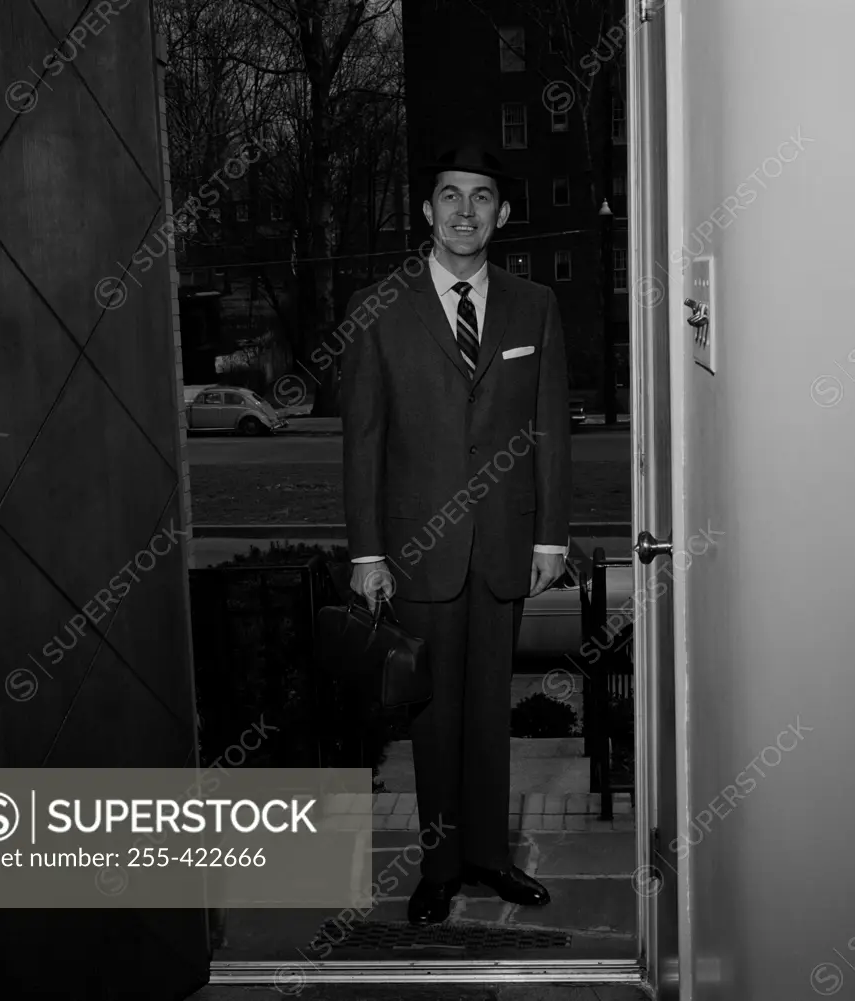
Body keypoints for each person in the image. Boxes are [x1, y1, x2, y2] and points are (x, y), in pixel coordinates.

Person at [340, 141, 572, 924]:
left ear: (502, 215)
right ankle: (437, 868)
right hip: (416, 553)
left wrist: (551, 537)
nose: (464, 211)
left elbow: (549, 432)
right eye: (449, 195)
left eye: (481, 197)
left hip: (505, 546)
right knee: (432, 719)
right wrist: (367, 552)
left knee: (488, 716)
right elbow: (363, 439)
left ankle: (489, 857)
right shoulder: (377, 308)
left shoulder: (533, 305)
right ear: (427, 209)